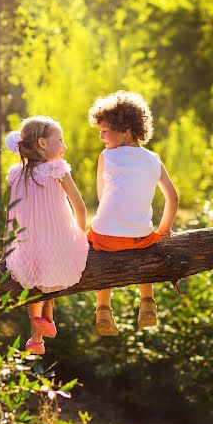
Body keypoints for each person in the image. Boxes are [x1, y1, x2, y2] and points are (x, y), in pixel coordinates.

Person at [86, 91, 179, 335]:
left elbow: (101, 197)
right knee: (147, 246)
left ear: (125, 129)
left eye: (105, 131)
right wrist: (165, 229)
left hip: (105, 237)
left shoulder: (106, 156)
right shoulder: (154, 159)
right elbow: (173, 198)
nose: (101, 137)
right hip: (139, 238)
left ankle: (103, 308)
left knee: (97, 245)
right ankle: (147, 303)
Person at [4, 116, 89, 354]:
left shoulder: (15, 174)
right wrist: (81, 235)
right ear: (42, 143)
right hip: (59, 242)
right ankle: (45, 325)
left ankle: (37, 335)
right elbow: (80, 207)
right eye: (60, 140)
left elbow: (11, 213)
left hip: (27, 243)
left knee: (34, 276)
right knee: (50, 271)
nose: (64, 146)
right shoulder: (57, 169)